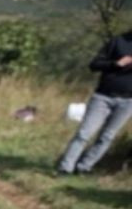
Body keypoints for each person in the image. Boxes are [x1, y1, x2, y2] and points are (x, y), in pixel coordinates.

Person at [56, 29, 132, 175]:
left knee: (107, 137)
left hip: (128, 101)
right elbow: (94, 64)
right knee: (84, 133)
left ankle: (84, 167)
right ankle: (65, 168)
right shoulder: (118, 41)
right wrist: (116, 64)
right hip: (103, 97)